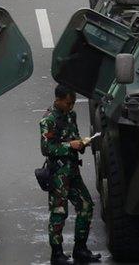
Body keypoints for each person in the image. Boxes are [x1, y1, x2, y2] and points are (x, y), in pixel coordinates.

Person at [39, 85, 100, 265]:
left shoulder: (70, 116)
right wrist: (69, 146)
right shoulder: (48, 120)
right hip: (58, 174)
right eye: (68, 103)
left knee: (86, 205)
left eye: (73, 103)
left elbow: (74, 135)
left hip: (72, 171)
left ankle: (80, 248)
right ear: (58, 100)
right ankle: (57, 254)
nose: (71, 106)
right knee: (59, 212)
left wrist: (81, 143)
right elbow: (46, 148)